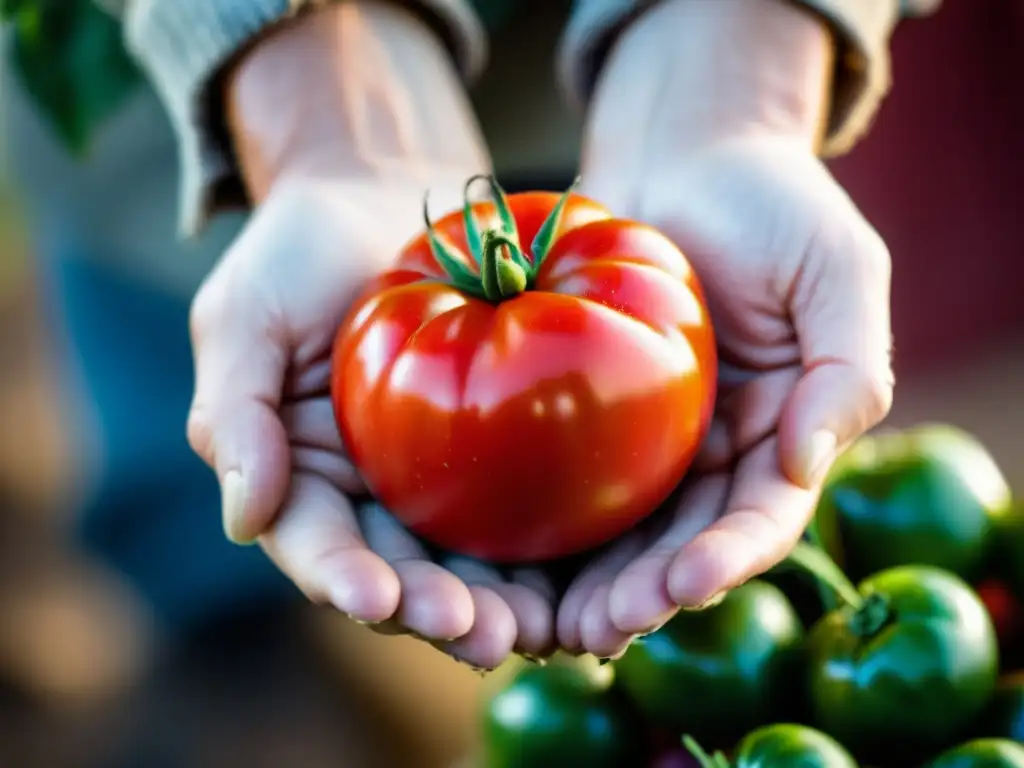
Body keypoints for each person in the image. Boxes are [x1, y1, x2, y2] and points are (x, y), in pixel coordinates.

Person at [5, 0, 936, 674]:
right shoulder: (620, 283)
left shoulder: (577, 279)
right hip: (156, 114)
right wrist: (304, 76)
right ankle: (226, 644)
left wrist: (738, 60)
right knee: (196, 421)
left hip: (582, 76)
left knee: (237, 424)